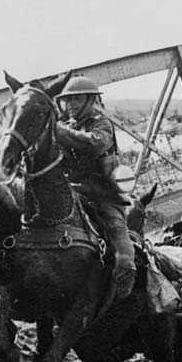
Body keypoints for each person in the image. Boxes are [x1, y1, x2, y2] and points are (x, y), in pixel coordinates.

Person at [54, 75, 136, 299]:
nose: (70, 104)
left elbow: (95, 144)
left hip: (102, 195)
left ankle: (126, 274)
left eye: (77, 99)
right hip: (71, 193)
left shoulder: (101, 123)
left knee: (117, 228)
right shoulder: (63, 126)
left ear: (90, 100)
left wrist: (59, 132)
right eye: (67, 100)